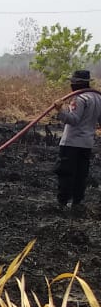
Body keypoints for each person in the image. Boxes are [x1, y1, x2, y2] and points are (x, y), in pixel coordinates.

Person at [53, 69, 101, 216]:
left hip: (71, 143)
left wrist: (60, 110)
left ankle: (62, 204)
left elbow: (73, 120)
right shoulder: (97, 98)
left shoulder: (78, 99)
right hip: (87, 143)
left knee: (66, 173)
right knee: (81, 174)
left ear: (77, 83)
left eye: (72, 82)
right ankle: (77, 203)